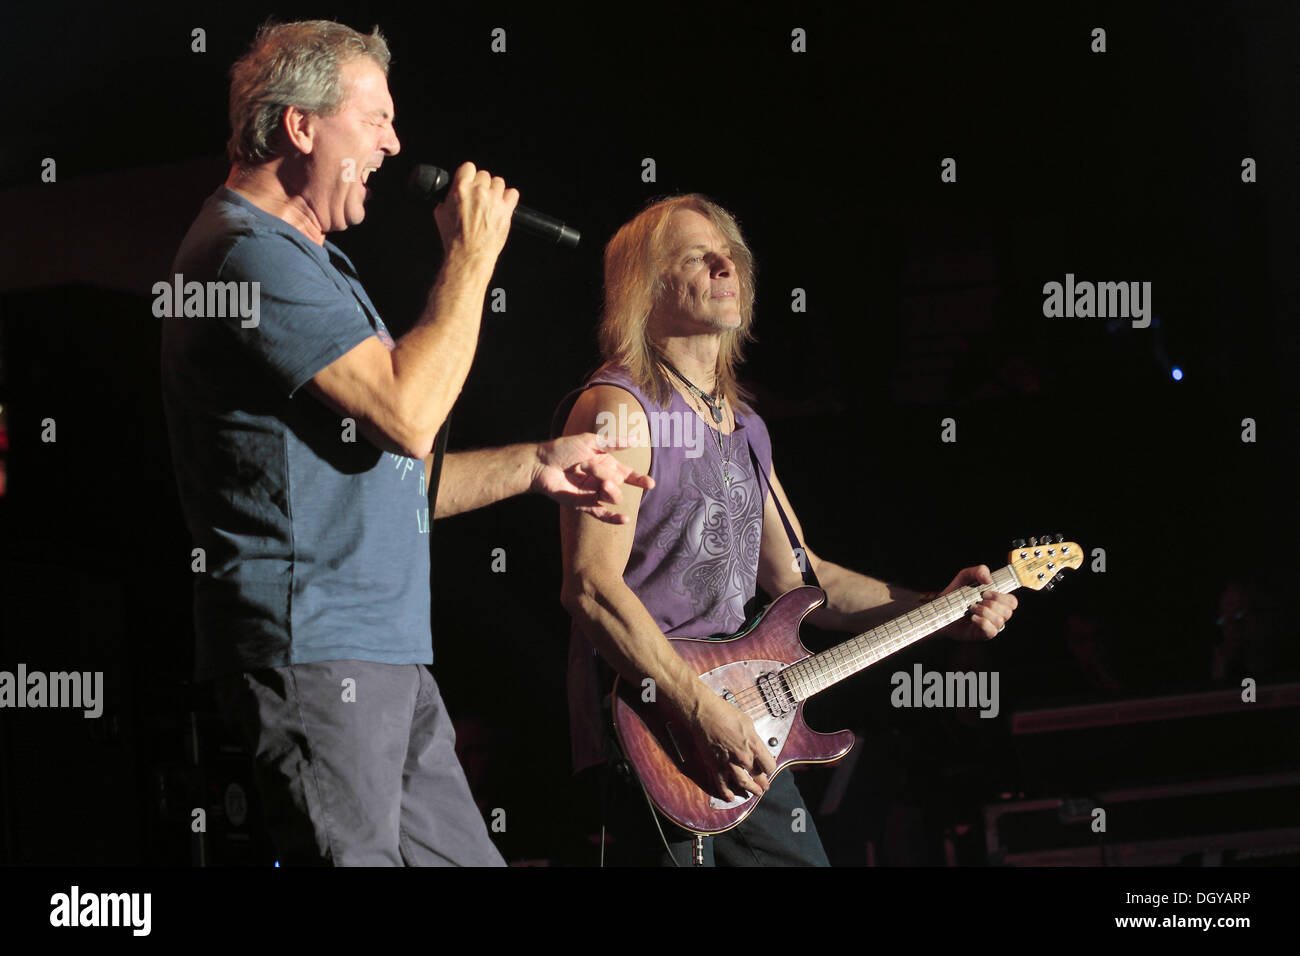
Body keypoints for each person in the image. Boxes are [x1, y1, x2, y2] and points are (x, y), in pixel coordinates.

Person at [160, 20, 649, 866]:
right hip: (316, 647)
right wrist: (472, 258)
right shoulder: (244, 257)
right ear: (300, 126)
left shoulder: (312, 261)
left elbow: (397, 473)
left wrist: (536, 465)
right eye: (375, 117)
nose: (394, 143)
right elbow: (409, 414)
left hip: (383, 650)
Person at [556, 195, 1018, 866]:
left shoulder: (744, 426)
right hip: (651, 727)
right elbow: (590, 589)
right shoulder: (619, 407)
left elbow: (807, 580)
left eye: (730, 255)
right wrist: (697, 710)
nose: (725, 265)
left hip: (742, 721)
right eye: (697, 256)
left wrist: (939, 610)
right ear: (646, 286)